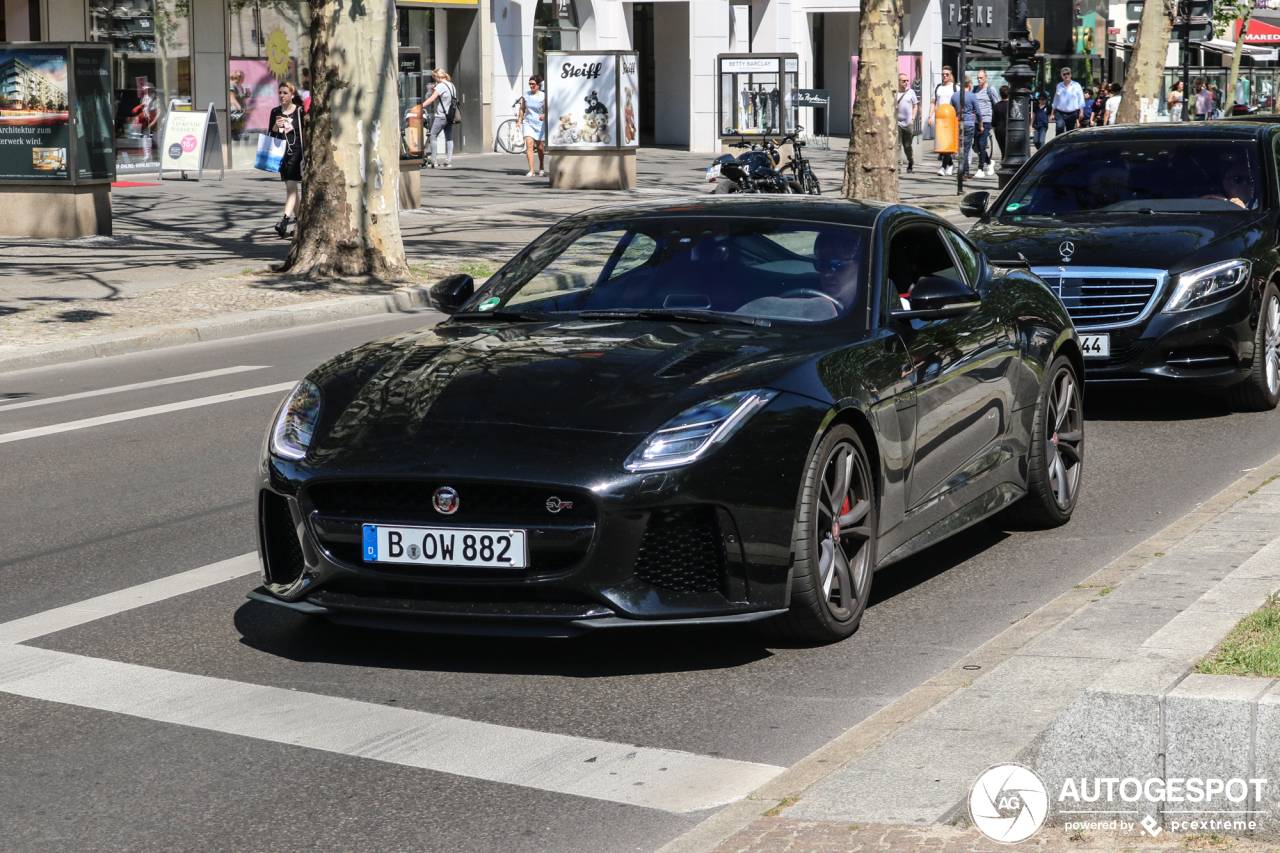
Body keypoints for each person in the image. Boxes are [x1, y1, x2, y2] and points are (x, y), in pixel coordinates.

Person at [268, 81, 305, 238]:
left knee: (291, 187)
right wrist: (277, 127)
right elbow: (272, 134)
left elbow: (304, 133)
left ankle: (284, 220)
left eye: (285, 93)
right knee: (292, 190)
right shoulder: (275, 111)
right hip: (282, 154)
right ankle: (299, 223)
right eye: (280, 93)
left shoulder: (299, 112)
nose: (282, 96)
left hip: (297, 152)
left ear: (292, 95)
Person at [422, 69, 457, 167]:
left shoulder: (440, 86)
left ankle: (434, 160)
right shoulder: (452, 85)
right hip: (450, 115)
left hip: (441, 116)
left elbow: (431, 99)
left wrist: (420, 106)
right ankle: (448, 160)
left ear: (437, 77)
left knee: (433, 136)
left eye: (434, 78)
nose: (434, 80)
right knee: (449, 137)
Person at [950, 76, 982, 181]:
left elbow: (951, 110)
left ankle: (965, 172)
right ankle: (963, 173)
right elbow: (977, 111)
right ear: (969, 84)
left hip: (957, 124)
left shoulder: (954, 95)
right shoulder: (972, 96)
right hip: (968, 124)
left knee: (961, 149)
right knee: (965, 149)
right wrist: (980, 124)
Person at [928, 66, 957, 176]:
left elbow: (959, 102)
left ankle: (943, 167)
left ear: (951, 76)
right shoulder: (938, 87)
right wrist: (930, 116)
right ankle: (951, 164)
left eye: (947, 74)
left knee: (946, 144)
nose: (944, 76)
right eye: (943, 74)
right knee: (941, 145)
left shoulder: (955, 87)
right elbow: (933, 102)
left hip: (950, 118)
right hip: (940, 118)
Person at [517, 75, 546, 177]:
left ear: (538, 85)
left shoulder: (543, 96)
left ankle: (541, 166)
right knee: (529, 144)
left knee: (540, 147)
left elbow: (547, 109)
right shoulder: (526, 95)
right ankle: (531, 170)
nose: (531, 86)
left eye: (533, 84)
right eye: (530, 84)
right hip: (528, 122)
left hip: (540, 123)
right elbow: (522, 109)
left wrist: (545, 114)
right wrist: (519, 121)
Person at [973, 69, 998, 178]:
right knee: (976, 146)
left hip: (987, 120)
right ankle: (989, 162)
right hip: (976, 120)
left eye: (981, 78)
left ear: (986, 77)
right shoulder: (975, 89)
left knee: (981, 144)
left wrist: (995, 121)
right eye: (978, 77)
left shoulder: (990, 89)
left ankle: (980, 168)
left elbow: (996, 104)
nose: (979, 80)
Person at [1050, 66, 1085, 132]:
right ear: (1062, 76)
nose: (1066, 75)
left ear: (1070, 75)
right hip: (1060, 113)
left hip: (1072, 113)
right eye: (1064, 74)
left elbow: (1081, 100)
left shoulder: (1076, 85)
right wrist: (1052, 113)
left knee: (1070, 132)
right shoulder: (1059, 86)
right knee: (1059, 127)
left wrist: (1081, 112)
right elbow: (1056, 100)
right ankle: (1058, 142)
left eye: (1068, 73)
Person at [896, 73, 918, 173]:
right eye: (903, 81)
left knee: (907, 146)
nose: (906, 83)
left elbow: (915, 106)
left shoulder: (910, 92)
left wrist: (912, 119)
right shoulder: (895, 93)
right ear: (898, 82)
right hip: (897, 123)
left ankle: (910, 161)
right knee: (898, 145)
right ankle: (898, 165)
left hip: (908, 123)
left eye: (907, 81)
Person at [229, 70, 249, 141]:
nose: (243, 80)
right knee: (237, 133)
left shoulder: (240, 86)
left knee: (240, 133)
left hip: (240, 112)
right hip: (235, 112)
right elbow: (232, 98)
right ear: (238, 78)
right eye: (242, 78)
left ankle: (241, 149)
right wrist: (238, 106)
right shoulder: (232, 85)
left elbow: (240, 98)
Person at [992, 85, 1010, 158]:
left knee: (1003, 150)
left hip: (999, 130)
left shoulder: (996, 106)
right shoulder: (1011, 105)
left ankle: (1003, 162)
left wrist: (995, 131)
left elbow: (993, 121)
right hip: (1010, 130)